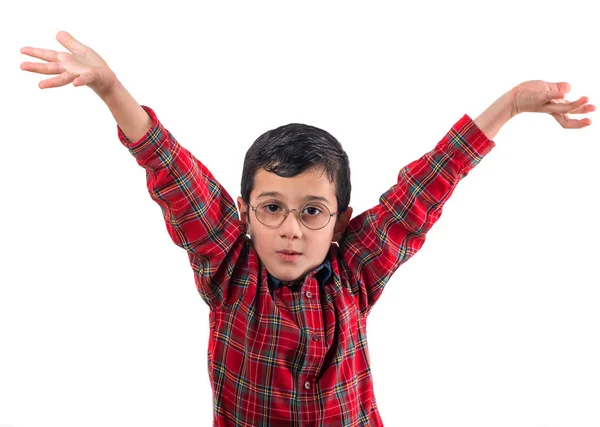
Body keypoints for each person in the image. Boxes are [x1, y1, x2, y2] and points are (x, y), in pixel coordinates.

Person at [20, 31, 595, 427]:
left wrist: (511, 106)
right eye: (272, 208)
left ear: (339, 222)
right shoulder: (227, 266)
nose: (290, 229)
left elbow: (426, 189)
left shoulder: (355, 270)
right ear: (244, 212)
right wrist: (109, 89)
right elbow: (169, 168)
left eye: (312, 211)